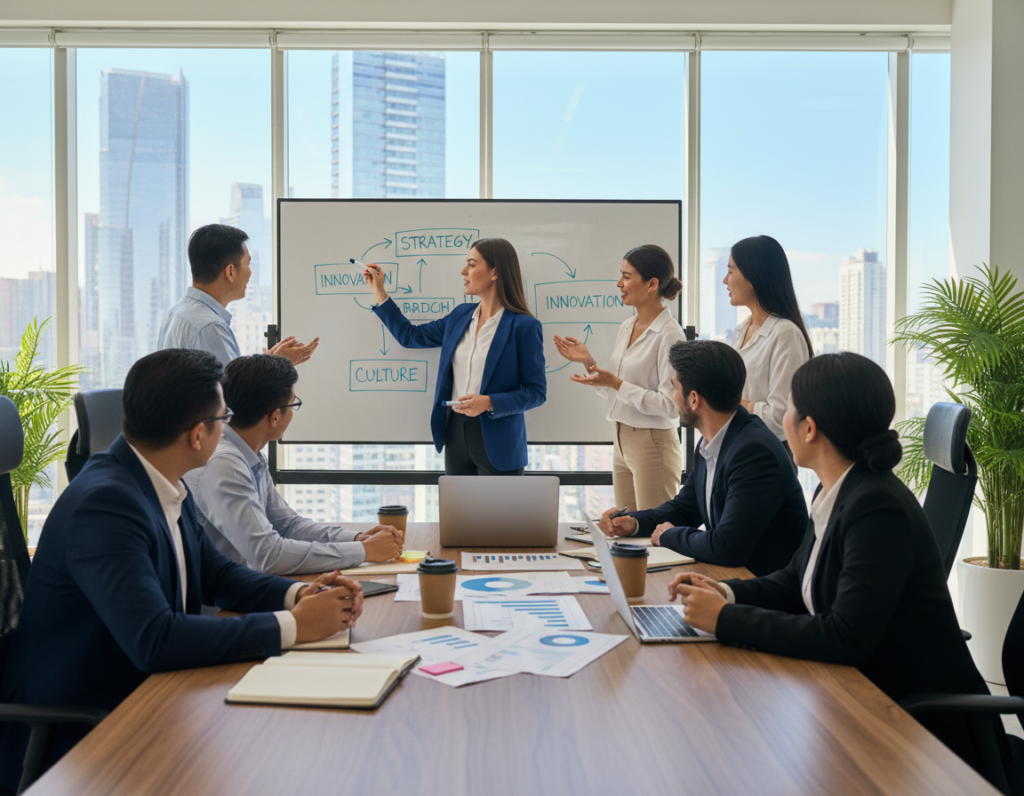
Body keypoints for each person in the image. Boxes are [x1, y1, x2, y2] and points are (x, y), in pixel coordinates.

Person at [0, 349, 362, 787]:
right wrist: (294, 627)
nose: (228, 425)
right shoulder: (105, 504)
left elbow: (218, 575)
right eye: (223, 416)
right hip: (81, 732)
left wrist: (297, 596)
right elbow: (154, 638)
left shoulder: (162, 480)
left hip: (154, 695)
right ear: (197, 435)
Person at [667, 352, 1012, 789]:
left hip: (921, 737)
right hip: (858, 699)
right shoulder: (838, 489)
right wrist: (727, 592)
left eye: (789, 407)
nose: (780, 416)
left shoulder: (877, 507)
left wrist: (725, 620)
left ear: (809, 428)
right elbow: (796, 580)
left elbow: (845, 636)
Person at [597, 340, 807, 576]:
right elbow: (685, 509)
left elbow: (727, 546)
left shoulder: (754, 452)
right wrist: (633, 523)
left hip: (761, 595)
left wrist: (669, 535)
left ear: (694, 399)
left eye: (675, 388)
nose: (674, 397)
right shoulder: (712, 442)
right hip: (730, 579)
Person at [184, 354, 404, 574]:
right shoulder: (223, 464)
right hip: (222, 606)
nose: (293, 412)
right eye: (293, 405)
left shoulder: (248, 452)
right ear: (274, 417)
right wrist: (363, 551)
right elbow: (268, 556)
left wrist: (357, 539)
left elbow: (287, 524)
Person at [363, 238, 546, 475]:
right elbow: (410, 336)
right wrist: (379, 292)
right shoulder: (460, 315)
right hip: (455, 433)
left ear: (495, 273)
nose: (463, 271)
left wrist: (489, 402)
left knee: (499, 513)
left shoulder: (524, 326)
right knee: (459, 512)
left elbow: (536, 392)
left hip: (500, 443)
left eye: (471, 264)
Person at [553, 244, 685, 510]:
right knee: (628, 532)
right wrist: (589, 363)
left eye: (627, 276)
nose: (619, 283)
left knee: (652, 535)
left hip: (653, 442)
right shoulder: (628, 326)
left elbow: (671, 406)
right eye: (620, 275)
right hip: (621, 437)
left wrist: (615, 383)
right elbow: (619, 388)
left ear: (652, 284)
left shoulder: (670, 335)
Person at [158, 224, 319, 367]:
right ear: (230, 272)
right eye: (248, 264)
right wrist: (278, 366)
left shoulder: (176, 312)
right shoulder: (210, 327)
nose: (250, 273)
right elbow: (233, 396)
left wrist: (270, 362)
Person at [723, 235, 813, 441]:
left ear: (755, 276)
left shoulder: (785, 333)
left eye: (730, 271)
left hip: (769, 452)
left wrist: (734, 406)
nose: (725, 280)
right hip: (739, 444)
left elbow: (781, 417)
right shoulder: (741, 330)